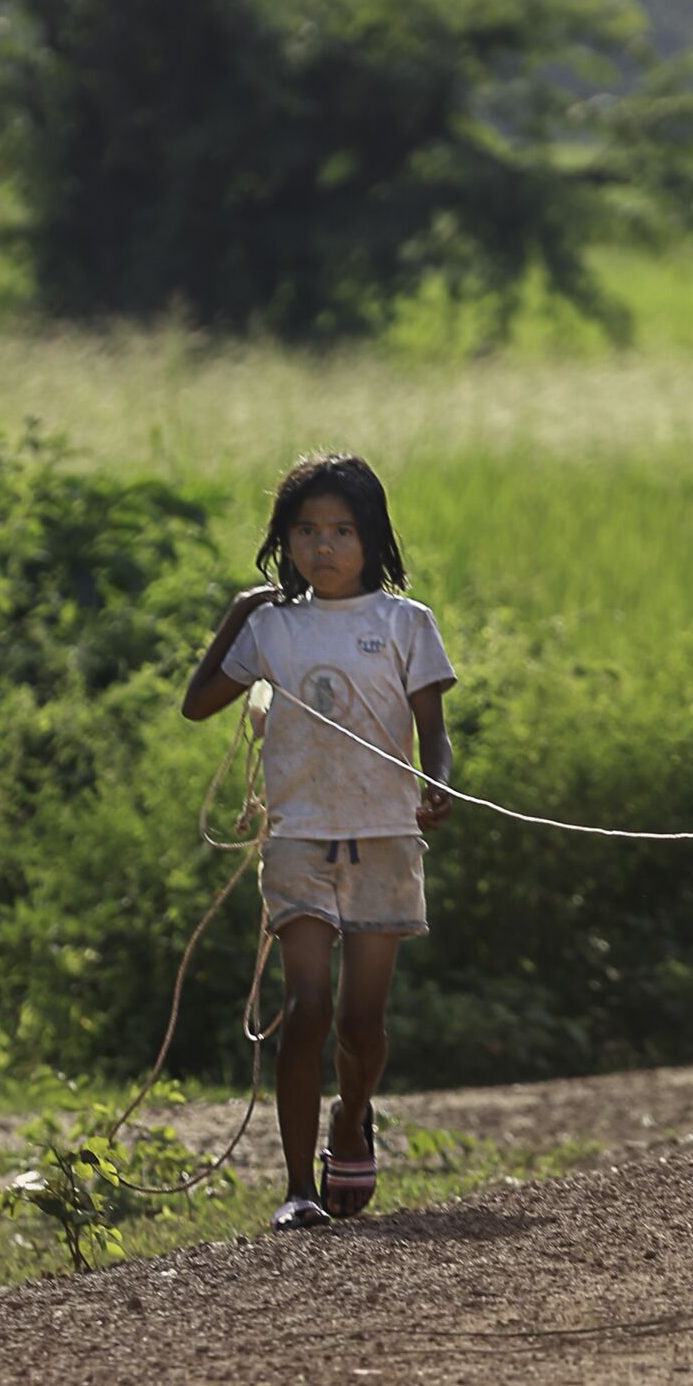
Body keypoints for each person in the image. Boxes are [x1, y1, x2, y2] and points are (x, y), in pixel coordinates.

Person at [181, 453, 455, 1232]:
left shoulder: (406, 623)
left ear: (371, 538)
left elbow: (435, 734)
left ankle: (351, 1117)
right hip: (299, 838)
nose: (323, 547)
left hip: (384, 837)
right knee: (305, 1008)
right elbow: (199, 705)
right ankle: (299, 1188)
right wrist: (238, 611)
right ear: (284, 542)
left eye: (340, 530)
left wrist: (436, 785)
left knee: (361, 1025)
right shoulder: (271, 628)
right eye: (304, 531)